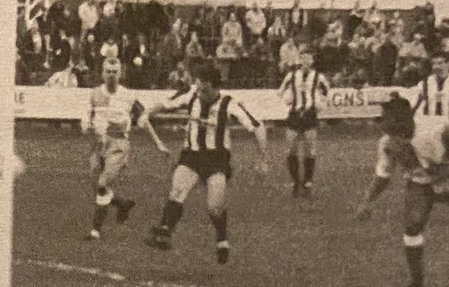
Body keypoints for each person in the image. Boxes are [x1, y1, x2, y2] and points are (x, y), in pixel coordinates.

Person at [355, 96, 449, 287]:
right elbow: (383, 174)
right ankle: (417, 285)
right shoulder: (387, 143)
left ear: (402, 119)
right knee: (412, 226)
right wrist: (367, 202)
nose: (383, 122)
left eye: (386, 117)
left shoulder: (437, 128)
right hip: (420, 184)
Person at [143, 63, 269, 264]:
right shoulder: (191, 95)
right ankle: (165, 232)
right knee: (177, 191)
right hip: (191, 155)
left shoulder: (230, 103)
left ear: (211, 86)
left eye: (202, 88)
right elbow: (164, 104)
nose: (198, 91)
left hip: (217, 159)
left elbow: (258, 127)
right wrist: (148, 113)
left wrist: (262, 159)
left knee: (214, 208)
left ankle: (222, 239)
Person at [82, 57, 170, 240]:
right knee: (96, 186)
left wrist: (159, 143)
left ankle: (95, 230)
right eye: (108, 71)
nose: (111, 75)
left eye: (115, 72)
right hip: (98, 144)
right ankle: (122, 204)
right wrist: (85, 124)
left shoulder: (129, 96)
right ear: (102, 73)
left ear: (120, 73)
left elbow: (144, 121)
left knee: (102, 184)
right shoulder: (94, 94)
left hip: (119, 144)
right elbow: (87, 115)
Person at [277, 52, 329, 197]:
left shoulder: (319, 77)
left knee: (310, 150)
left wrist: (318, 105)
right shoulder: (291, 76)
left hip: (310, 115)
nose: (306, 61)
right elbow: (281, 91)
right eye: (303, 58)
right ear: (299, 61)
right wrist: (289, 99)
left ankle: (307, 182)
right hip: (294, 115)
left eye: (309, 58)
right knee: (290, 150)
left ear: (312, 60)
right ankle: (295, 182)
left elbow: (326, 92)